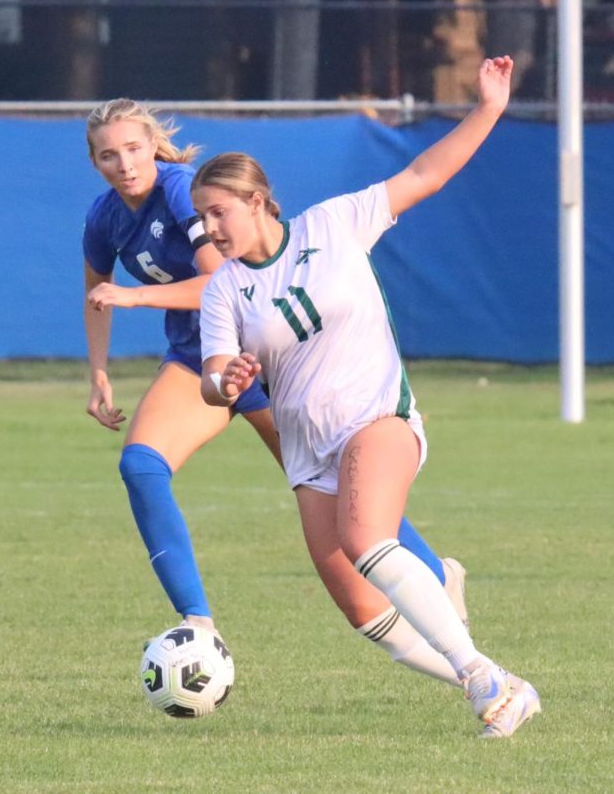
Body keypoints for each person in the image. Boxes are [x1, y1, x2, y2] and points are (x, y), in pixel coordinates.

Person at [194, 57, 541, 738]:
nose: (210, 228)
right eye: (203, 217)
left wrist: (488, 109)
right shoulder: (224, 288)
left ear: (259, 199)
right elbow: (211, 379)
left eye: (219, 211)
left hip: (376, 416)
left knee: (365, 538)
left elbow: (425, 175)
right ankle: (501, 679)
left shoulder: (335, 224)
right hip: (308, 451)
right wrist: (225, 380)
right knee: (362, 609)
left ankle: (483, 680)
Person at [81, 99, 474, 686]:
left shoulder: (185, 192)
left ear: (155, 146)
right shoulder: (106, 216)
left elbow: (222, 278)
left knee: (342, 494)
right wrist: (99, 372)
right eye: (107, 154)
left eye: (133, 148)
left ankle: (435, 578)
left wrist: (135, 299)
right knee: (140, 465)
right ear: (94, 161)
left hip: (274, 358)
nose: (123, 163)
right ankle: (198, 622)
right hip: (206, 364)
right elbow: (96, 288)